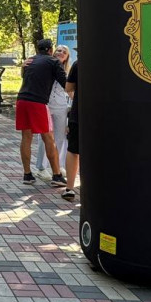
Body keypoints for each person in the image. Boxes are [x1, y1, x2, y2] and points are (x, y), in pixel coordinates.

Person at [16, 39, 67, 186]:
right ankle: (57, 176)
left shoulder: (30, 60)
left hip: (22, 100)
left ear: (38, 49)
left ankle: (27, 175)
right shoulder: (54, 62)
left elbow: (25, 76)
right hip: (38, 103)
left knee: (26, 138)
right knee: (48, 138)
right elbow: (65, 84)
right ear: (51, 50)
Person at [34, 45, 71, 176]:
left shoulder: (68, 72)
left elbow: (70, 90)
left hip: (61, 106)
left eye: (64, 52)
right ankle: (41, 168)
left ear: (67, 57)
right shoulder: (45, 66)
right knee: (44, 136)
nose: (61, 53)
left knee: (60, 137)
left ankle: (58, 165)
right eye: (59, 50)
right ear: (53, 52)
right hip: (46, 104)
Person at [62, 60, 80, 200]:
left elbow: (68, 88)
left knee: (73, 150)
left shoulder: (78, 64)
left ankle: (69, 188)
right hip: (103, 116)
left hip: (79, 114)